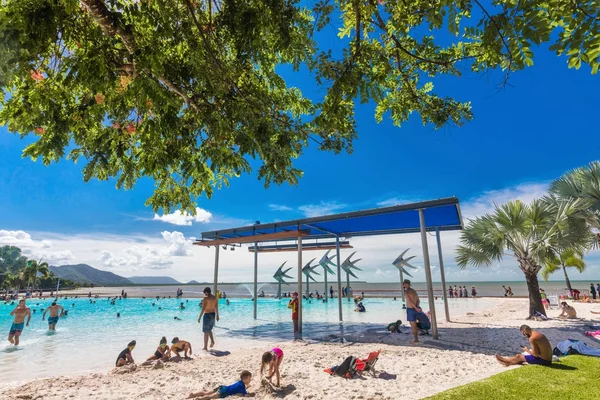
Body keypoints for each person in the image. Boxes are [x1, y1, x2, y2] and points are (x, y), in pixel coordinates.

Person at [187, 370, 253, 399]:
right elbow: (246, 394)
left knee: (207, 392)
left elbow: (237, 388)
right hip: (225, 391)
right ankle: (199, 399)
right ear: (244, 379)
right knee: (211, 396)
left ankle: (193, 394)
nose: (250, 380)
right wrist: (251, 394)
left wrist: (247, 386)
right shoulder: (242, 386)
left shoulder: (239, 382)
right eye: (249, 379)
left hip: (222, 387)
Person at [403, 279, 422, 344]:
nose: (404, 285)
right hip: (415, 308)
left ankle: (416, 339)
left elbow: (410, 301)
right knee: (414, 324)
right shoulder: (414, 291)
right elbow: (418, 300)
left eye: (405, 284)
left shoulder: (407, 292)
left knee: (413, 324)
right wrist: (417, 306)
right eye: (404, 284)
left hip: (411, 309)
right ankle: (416, 337)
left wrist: (415, 307)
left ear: (407, 284)